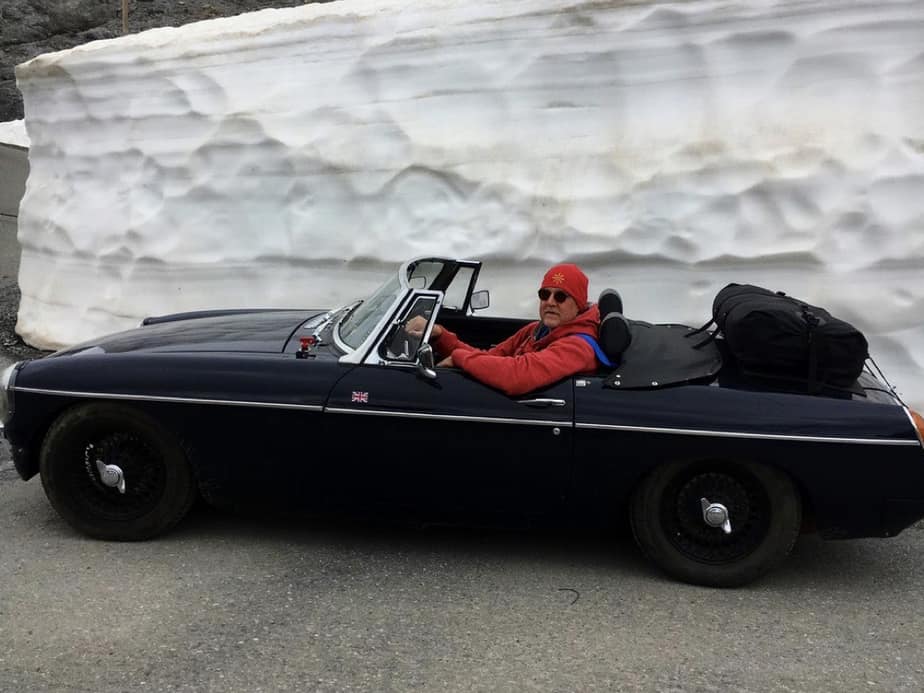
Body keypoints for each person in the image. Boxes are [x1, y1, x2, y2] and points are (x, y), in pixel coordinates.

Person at [406, 263, 601, 396]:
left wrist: (459, 358)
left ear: (578, 304)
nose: (550, 302)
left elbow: (517, 376)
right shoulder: (536, 330)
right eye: (544, 294)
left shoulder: (578, 347)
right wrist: (441, 335)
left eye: (560, 297)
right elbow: (492, 357)